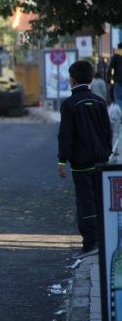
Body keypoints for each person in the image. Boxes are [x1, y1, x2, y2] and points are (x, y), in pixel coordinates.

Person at [57, 60, 112, 259]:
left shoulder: (69, 104)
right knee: (99, 200)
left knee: (85, 202)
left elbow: (66, 135)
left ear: (72, 80)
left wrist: (62, 160)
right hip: (100, 161)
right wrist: (106, 153)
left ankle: (90, 244)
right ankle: (102, 240)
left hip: (81, 164)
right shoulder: (99, 102)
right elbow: (108, 131)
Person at [108, 85, 122, 162]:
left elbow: (111, 123)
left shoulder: (115, 108)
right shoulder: (112, 107)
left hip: (115, 139)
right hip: (113, 139)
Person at [109, 43, 122, 108]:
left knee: (118, 98)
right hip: (118, 81)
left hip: (118, 81)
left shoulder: (116, 56)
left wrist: (109, 79)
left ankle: (120, 115)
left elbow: (110, 68)